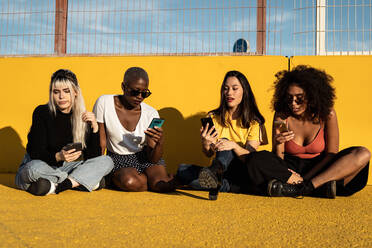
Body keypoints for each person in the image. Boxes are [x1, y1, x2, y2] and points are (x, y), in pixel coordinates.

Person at [245, 65, 370, 198]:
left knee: (362, 154)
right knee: (255, 158)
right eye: (289, 98)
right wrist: (277, 144)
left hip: (321, 167)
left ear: (312, 96)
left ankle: (303, 188)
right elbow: (279, 157)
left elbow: (331, 154)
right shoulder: (282, 116)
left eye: (299, 98)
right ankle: (319, 188)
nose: (293, 103)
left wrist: (307, 180)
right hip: (290, 169)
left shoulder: (327, 115)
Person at [15, 69, 114, 196]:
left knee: (107, 161)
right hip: (42, 165)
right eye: (56, 92)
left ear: (75, 92)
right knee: (32, 170)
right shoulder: (42, 112)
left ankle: (55, 186)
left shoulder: (82, 117)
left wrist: (95, 128)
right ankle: (79, 181)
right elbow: (36, 153)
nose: (61, 97)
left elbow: (93, 157)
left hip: (68, 166)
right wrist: (58, 156)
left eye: (66, 91)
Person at [176, 70, 267, 199]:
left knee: (225, 142)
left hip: (242, 170)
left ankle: (218, 178)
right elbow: (208, 153)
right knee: (182, 170)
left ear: (244, 91)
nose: (229, 93)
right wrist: (206, 143)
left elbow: (251, 158)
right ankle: (221, 182)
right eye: (226, 88)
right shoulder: (213, 117)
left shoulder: (254, 121)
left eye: (235, 89)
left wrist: (234, 146)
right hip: (221, 170)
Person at [93, 67, 175, 193]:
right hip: (118, 157)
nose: (140, 97)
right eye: (135, 92)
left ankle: (156, 181)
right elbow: (101, 142)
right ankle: (148, 181)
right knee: (130, 182)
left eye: (145, 93)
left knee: (162, 185)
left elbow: (153, 159)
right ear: (123, 87)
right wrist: (97, 170)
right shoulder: (104, 102)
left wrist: (160, 143)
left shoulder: (150, 113)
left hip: (145, 157)